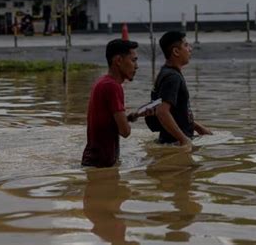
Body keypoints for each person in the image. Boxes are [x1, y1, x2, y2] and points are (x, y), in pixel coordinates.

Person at [81, 39, 151, 168]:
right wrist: (126, 124)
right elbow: (125, 132)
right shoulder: (113, 86)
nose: (137, 66)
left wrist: (130, 118)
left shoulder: (102, 82)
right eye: (133, 60)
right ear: (118, 61)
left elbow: (107, 121)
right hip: (102, 165)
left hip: (93, 162)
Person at [152, 31, 212, 149]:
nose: (190, 49)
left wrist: (199, 128)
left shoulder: (167, 73)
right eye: (186, 45)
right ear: (176, 51)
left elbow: (178, 112)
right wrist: (184, 140)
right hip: (174, 144)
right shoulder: (172, 77)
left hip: (172, 141)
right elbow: (162, 112)